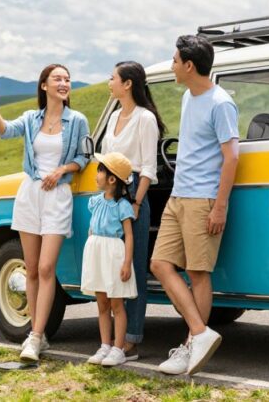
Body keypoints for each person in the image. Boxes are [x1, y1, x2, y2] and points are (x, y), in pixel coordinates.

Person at [0, 64, 90, 362]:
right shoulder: (31, 119)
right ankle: (35, 334)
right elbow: (4, 132)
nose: (64, 83)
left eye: (67, 79)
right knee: (30, 266)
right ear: (44, 86)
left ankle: (37, 336)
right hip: (30, 195)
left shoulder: (77, 120)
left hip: (58, 197)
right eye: (58, 78)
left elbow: (84, 156)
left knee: (45, 268)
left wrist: (63, 169)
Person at [150, 35, 239, 376]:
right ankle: (199, 334)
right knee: (160, 264)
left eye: (174, 60)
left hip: (203, 199)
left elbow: (231, 158)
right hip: (179, 196)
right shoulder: (189, 96)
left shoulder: (221, 103)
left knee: (198, 273)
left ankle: (191, 347)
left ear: (189, 65)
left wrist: (220, 207)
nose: (172, 65)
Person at [101, 61, 166, 362]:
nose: (109, 83)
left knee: (133, 269)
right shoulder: (114, 114)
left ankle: (131, 340)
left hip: (132, 199)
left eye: (113, 78)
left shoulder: (145, 119)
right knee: (114, 267)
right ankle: (114, 340)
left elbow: (149, 168)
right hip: (109, 199)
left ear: (127, 84)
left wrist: (136, 204)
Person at [81, 152, 138, 368]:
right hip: (97, 253)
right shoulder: (94, 202)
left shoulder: (122, 206)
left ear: (112, 179)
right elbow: (92, 227)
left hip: (113, 254)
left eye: (100, 170)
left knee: (117, 303)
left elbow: (129, 235)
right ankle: (105, 345)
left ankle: (118, 348)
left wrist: (126, 263)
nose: (96, 174)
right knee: (102, 302)